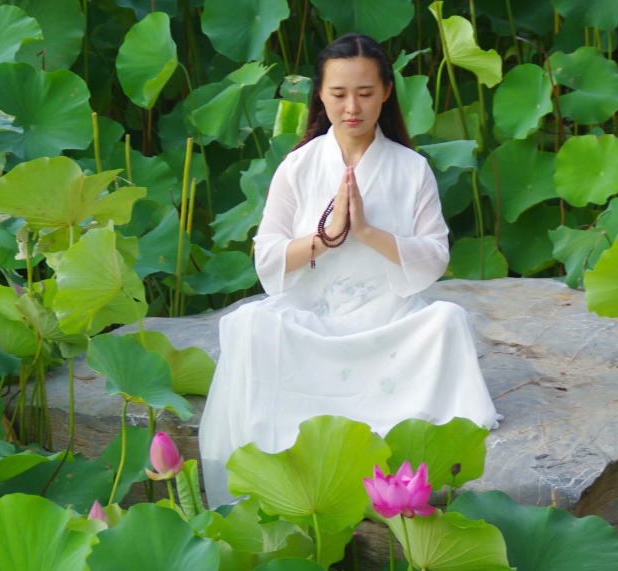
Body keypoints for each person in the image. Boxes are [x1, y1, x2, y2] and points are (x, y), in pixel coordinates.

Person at [198, 33, 502, 508]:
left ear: (385, 92)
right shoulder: (297, 167)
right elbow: (268, 260)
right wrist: (327, 236)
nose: (352, 107)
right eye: (338, 94)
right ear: (320, 95)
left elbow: (435, 255)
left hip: (388, 325)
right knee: (249, 323)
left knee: (447, 320)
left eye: (364, 93)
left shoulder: (412, 168)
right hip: (312, 322)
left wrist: (365, 230)